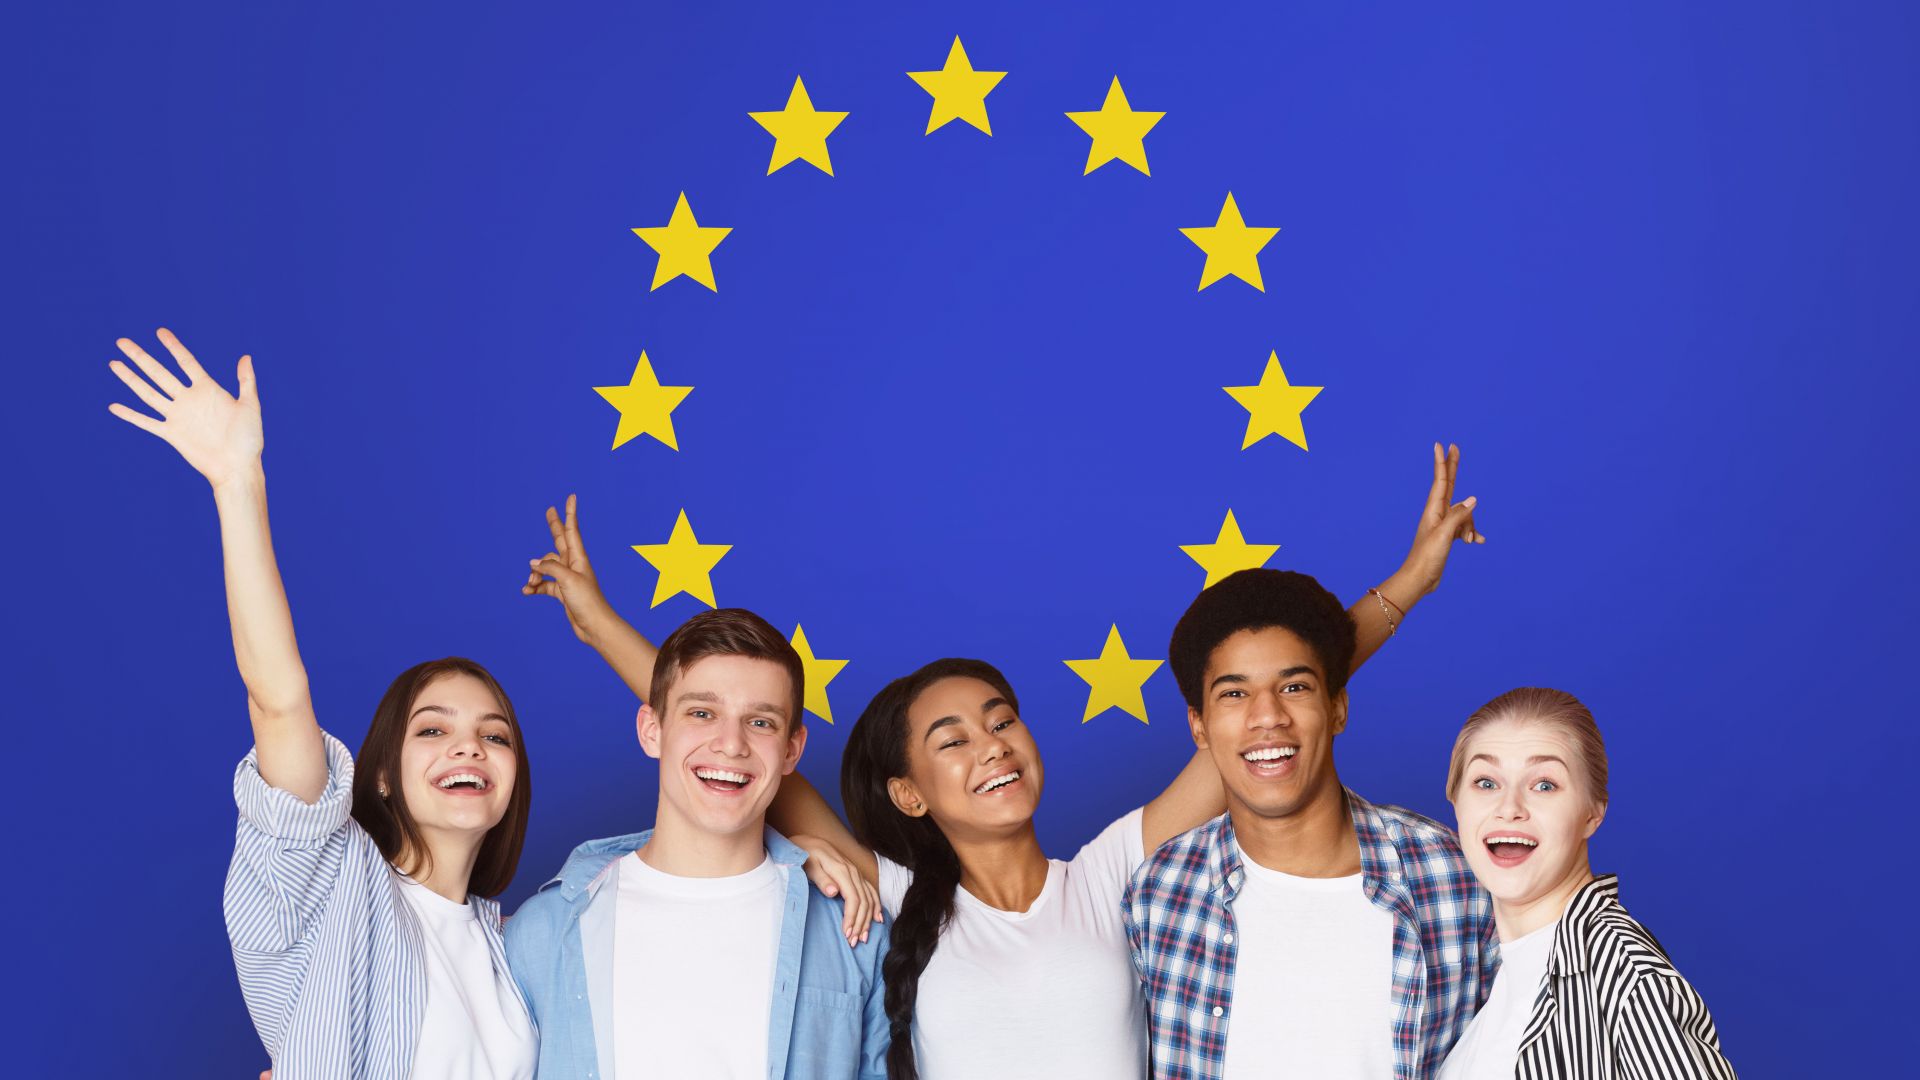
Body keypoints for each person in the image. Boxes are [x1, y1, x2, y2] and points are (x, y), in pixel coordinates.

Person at [522, 446, 1483, 1079]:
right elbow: (738, 736)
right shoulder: (894, 898)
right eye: (951, 740)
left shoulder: (1110, 878)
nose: (991, 748)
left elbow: (1267, 712)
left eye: (1001, 720)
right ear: (907, 791)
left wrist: (1406, 587)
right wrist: (604, 625)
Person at [107, 330, 536, 1079]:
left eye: (493, 737)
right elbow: (278, 699)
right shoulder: (333, 887)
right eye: (433, 729)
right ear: (378, 775)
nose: (469, 748)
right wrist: (238, 484)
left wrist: (807, 840)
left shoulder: (513, 951)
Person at [1125, 567, 1496, 1080]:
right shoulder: (1159, 892)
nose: (1268, 716)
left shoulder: (1454, 874)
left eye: (1294, 686)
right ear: (1199, 726)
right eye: (1234, 694)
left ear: (1338, 707)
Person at [502, 608, 890, 1080]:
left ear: (792, 749)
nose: (731, 744)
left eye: (761, 722)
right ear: (652, 730)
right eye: (702, 713)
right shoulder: (541, 932)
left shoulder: (853, 931)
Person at [1437, 688, 1736, 1079]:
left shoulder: (1622, 973)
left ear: (1593, 812)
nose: (1509, 808)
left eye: (1544, 784)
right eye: (1486, 782)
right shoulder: (1493, 977)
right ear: (1455, 801)